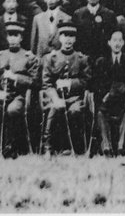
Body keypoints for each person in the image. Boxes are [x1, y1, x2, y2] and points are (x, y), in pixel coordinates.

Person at [40, 21, 90, 154]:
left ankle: (74, 147)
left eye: (71, 36)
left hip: (74, 99)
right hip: (54, 98)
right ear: (60, 37)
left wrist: (70, 83)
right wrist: (55, 98)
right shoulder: (51, 58)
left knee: (75, 111)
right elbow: (46, 83)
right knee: (55, 108)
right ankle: (48, 146)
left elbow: (86, 81)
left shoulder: (81, 58)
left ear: (75, 39)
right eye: (65, 35)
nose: (68, 39)